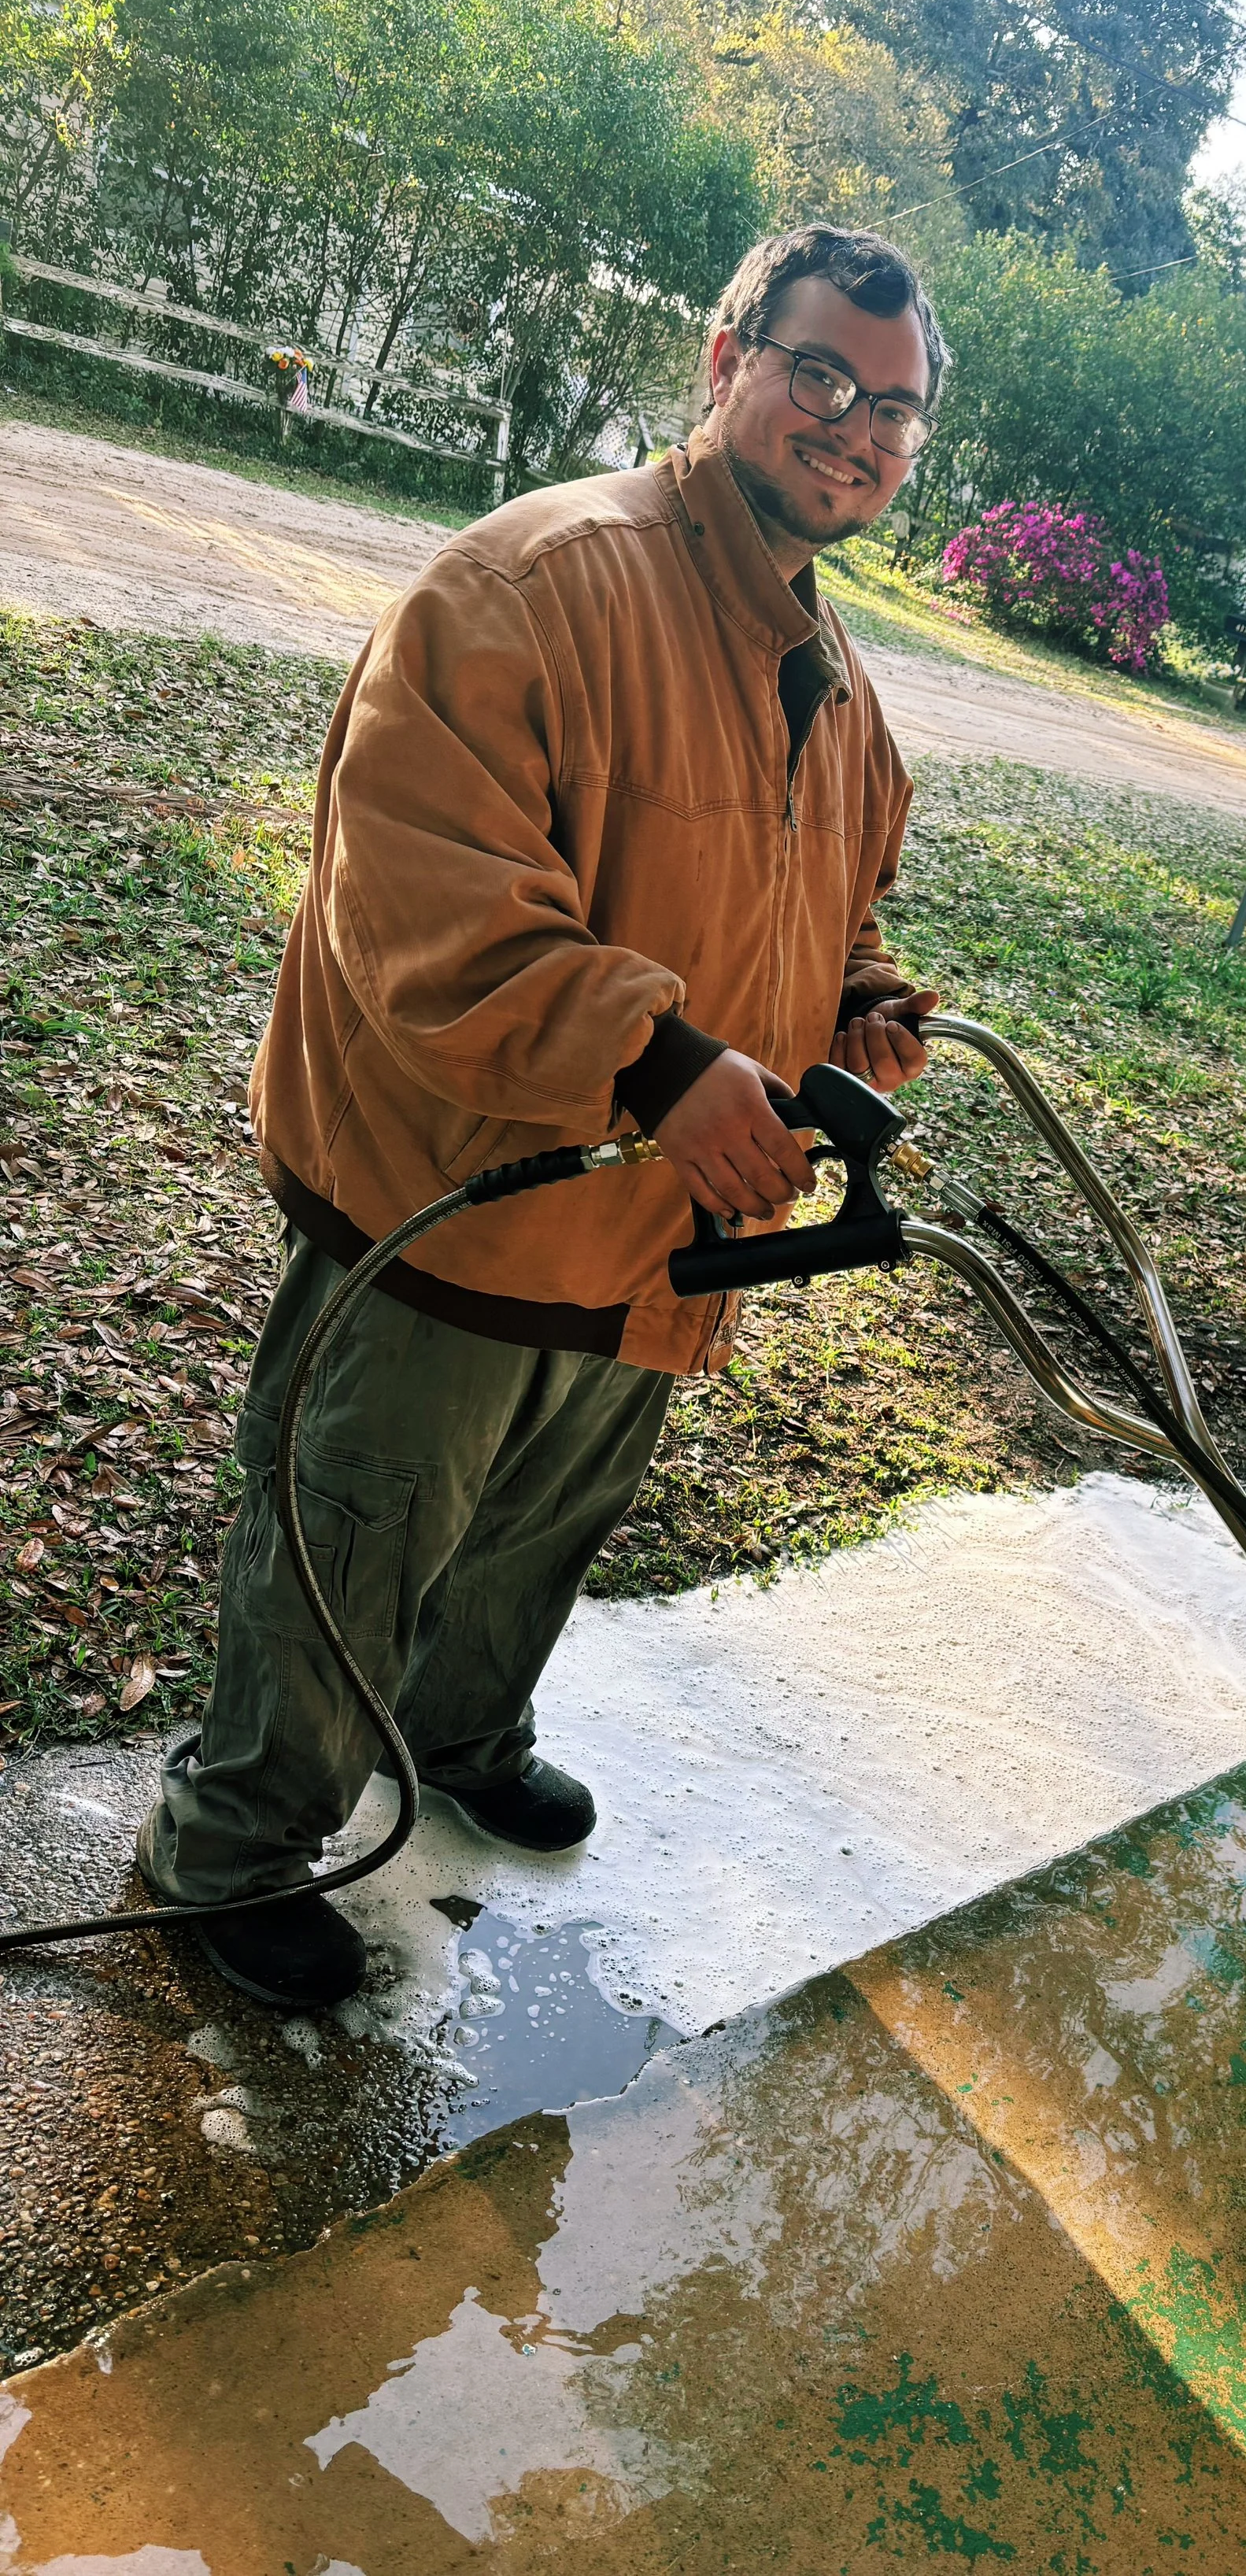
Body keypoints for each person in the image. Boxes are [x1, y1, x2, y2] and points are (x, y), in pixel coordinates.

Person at [138, 226, 945, 2009]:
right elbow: (425, 899)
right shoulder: (535, 583)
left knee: (543, 1522)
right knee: (352, 1533)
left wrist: (852, 1006)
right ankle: (231, 1851)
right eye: (818, 375)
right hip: (466, 1197)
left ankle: (465, 1727)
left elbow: (828, 899)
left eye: (893, 409)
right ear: (722, 356)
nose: (855, 428)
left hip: (667, 1226)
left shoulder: (839, 671)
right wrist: (659, 1065)